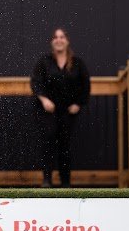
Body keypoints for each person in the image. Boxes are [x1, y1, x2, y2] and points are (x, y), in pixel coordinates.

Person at [30, 28, 90, 188]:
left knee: (65, 145)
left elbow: (85, 86)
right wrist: (44, 100)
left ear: (67, 40)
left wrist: (78, 104)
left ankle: (65, 183)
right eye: (56, 37)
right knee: (47, 143)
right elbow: (35, 82)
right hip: (48, 111)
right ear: (52, 41)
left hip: (68, 112)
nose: (59, 40)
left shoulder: (77, 63)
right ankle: (47, 180)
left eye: (62, 37)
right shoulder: (44, 61)